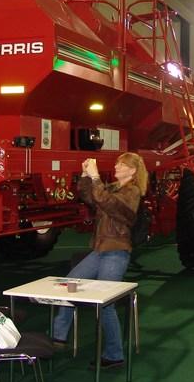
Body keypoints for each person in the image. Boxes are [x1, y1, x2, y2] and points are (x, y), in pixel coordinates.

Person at [52, 152, 147, 367]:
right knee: (69, 284)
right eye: (118, 163)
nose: (117, 166)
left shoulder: (132, 192)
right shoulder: (113, 188)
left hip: (116, 252)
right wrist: (86, 176)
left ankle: (114, 354)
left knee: (105, 303)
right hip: (100, 250)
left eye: (122, 164)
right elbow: (91, 197)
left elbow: (109, 204)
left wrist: (95, 178)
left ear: (132, 170)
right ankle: (58, 336)